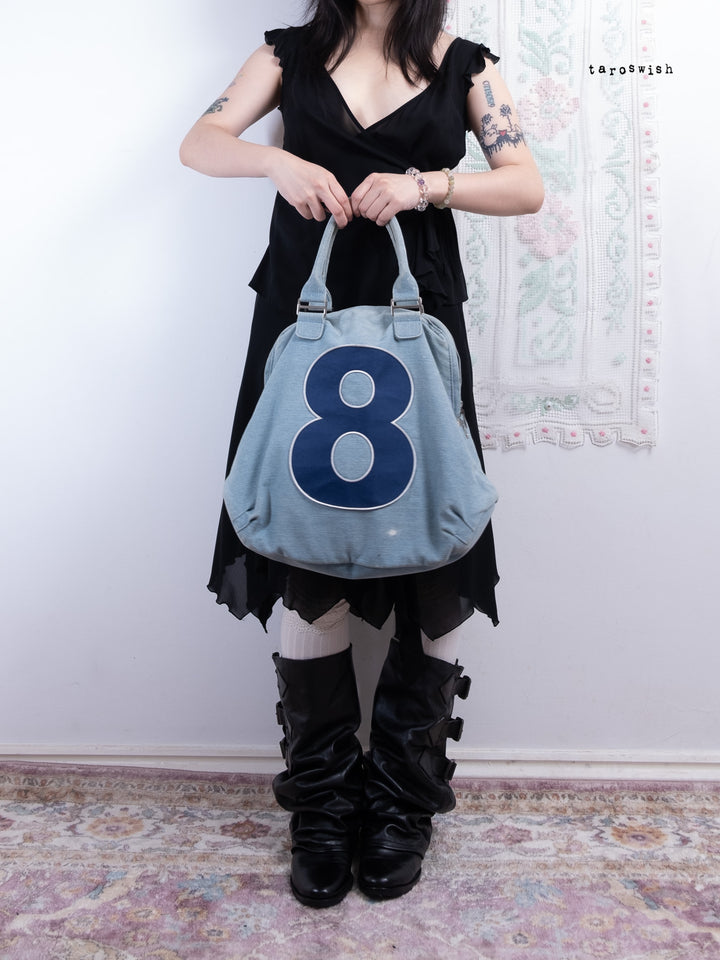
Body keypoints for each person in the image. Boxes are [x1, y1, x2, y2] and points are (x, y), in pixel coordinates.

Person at [180, 0, 543, 909]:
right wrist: (276, 161)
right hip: (301, 318)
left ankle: (402, 801)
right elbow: (200, 142)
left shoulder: (465, 64)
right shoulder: (286, 55)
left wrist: (426, 188)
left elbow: (525, 185)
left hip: (421, 323)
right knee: (305, 532)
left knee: (439, 528)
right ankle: (322, 804)